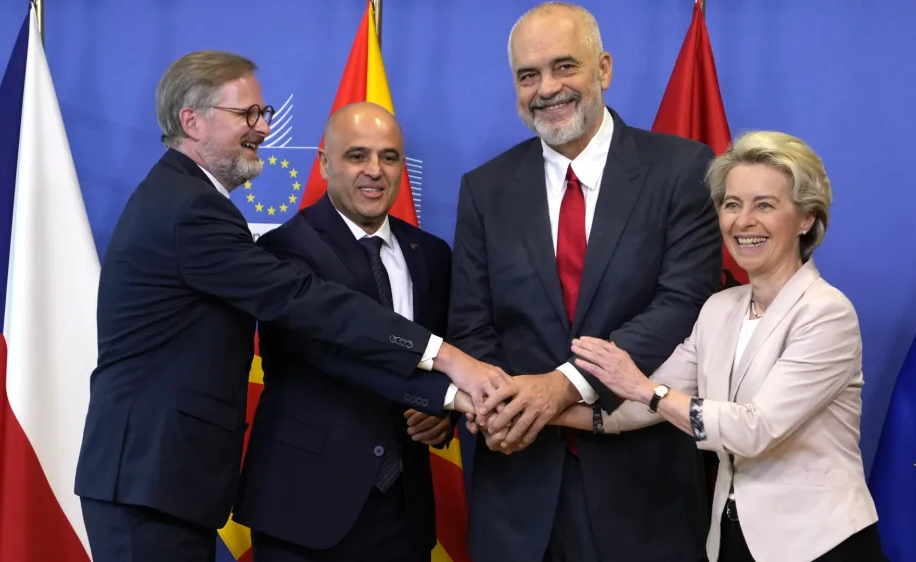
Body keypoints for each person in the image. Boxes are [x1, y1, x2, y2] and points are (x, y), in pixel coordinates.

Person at [73, 51, 508, 562]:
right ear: (191, 120)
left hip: (163, 478)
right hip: (151, 476)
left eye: (265, 113)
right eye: (247, 115)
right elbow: (304, 300)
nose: (262, 129)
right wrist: (448, 362)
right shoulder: (192, 209)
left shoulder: (188, 198)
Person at [447, 3, 724, 561]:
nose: (546, 88)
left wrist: (564, 385)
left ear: (603, 70)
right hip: (518, 485)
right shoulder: (485, 188)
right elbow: (471, 325)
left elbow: (683, 303)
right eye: (528, 75)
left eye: (563, 67)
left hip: (645, 486)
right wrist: (499, 407)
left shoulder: (682, 169)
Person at [560, 131, 886, 562]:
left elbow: (754, 430)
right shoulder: (719, 307)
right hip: (730, 540)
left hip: (819, 543)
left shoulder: (827, 313)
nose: (743, 221)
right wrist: (544, 411)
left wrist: (644, 389)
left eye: (764, 205)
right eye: (732, 204)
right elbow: (641, 406)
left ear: (806, 218)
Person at [233, 102, 458, 562]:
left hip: (404, 512)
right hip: (303, 510)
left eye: (389, 157)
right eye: (358, 155)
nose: (375, 171)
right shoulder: (283, 251)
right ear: (324, 162)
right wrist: (447, 395)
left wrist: (444, 414)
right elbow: (344, 350)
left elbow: (447, 352)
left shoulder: (431, 255)